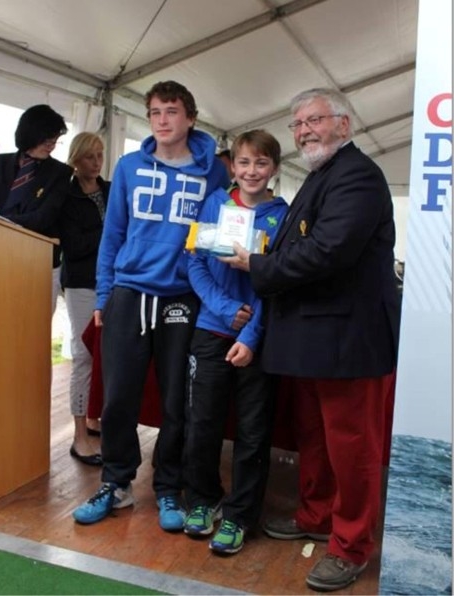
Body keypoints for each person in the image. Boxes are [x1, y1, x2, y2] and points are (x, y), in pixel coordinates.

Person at [221, 88, 400, 590]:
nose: (304, 131)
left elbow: (328, 251)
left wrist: (257, 264)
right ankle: (318, 516)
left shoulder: (358, 175)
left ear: (344, 124)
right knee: (316, 439)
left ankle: (351, 546)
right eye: (297, 124)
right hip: (312, 338)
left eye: (314, 120)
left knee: (352, 447)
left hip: (346, 340)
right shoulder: (324, 175)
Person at [72, 80, 230, 529]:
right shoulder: (128, 167)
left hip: (182, 296)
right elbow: (113, 235)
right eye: (155, 112)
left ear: (191, 119)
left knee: (176, 400)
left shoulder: (213, 174)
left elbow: (215, 240)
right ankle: (116, 484)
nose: (162, 120)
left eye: (172, 111)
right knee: (119, 397)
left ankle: (168, 488)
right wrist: (105, 295)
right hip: (129, 292)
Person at [183, 130, 288, 555]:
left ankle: (240, 515)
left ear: (274, 169)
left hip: (257, 341)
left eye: (261, 163)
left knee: (252, 432)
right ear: (233, 166)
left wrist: (250, 334)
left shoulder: (282, 216)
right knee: (202, 424)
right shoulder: (215, 204)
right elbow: (194, 263)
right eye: (244, 162)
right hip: (211, 329)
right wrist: (225, 309)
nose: (251, 171)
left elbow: (279, 283)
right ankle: (203, 500)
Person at [0, 105, 72, 314]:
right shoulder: (1, 163)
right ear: (32, 134)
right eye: (47, 141)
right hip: (2, 257)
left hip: (41, 263)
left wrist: (3, 222)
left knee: (36, 323)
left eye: (55, 141)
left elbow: (45, 217)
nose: (51, 147)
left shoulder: (60, 173)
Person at [59, 132, 110, 466]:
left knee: (105, 355)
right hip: (81, 283)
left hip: (111, 283)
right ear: (76, 159)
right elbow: (74, 247)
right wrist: (109, 229)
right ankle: (79, 437)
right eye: (90, 156)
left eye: (100, 155)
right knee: (83, 356)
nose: (96, 162)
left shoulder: (109, 190)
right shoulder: (66, 195)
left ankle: (94, 419)